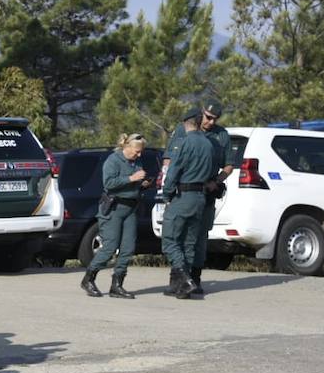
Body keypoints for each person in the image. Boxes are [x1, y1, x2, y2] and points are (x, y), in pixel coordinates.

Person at [163, 100, 233, 294]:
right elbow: (169, 158)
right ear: (200, 113)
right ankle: (177, 281)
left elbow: (228, 165)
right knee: (178, 236)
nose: (210, 122)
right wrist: (167, 183)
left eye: (214, 119)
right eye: (207, 117)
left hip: (206, 193)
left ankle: (194, 279)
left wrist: (217, 181)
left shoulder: (221, 136)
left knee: (197, 239)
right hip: (182, 191)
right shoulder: (182, 130)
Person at [81, 133, 153, 299]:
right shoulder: (113, 161)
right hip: (114, 208)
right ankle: (88, 278)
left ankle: (117, 285)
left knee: (128, 249)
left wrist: (143, 184)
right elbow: (109, 183)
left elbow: (134, 185)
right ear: (126, 146)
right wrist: (131, 178)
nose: (139, 154)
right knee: (109, 247)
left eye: (141, 151)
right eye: (137, 151)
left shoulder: (137, 161)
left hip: (130, 209)